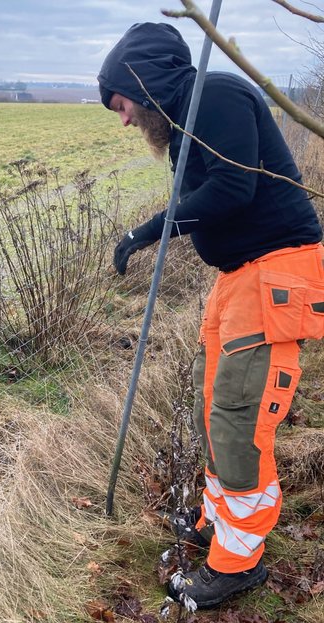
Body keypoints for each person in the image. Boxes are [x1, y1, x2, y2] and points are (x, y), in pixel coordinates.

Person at [98, 22, 324, 609]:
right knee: (212, 411)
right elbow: (196, 201)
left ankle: (238, 561)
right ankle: (218, 522)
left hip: (276, 273)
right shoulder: (184, 127)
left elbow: (233, 189)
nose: (123, 119)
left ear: (143, 84)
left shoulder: (218, 97)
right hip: (236, 279)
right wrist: (149, 229)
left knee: (239, 421)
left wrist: (148, 231)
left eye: (121, 104)